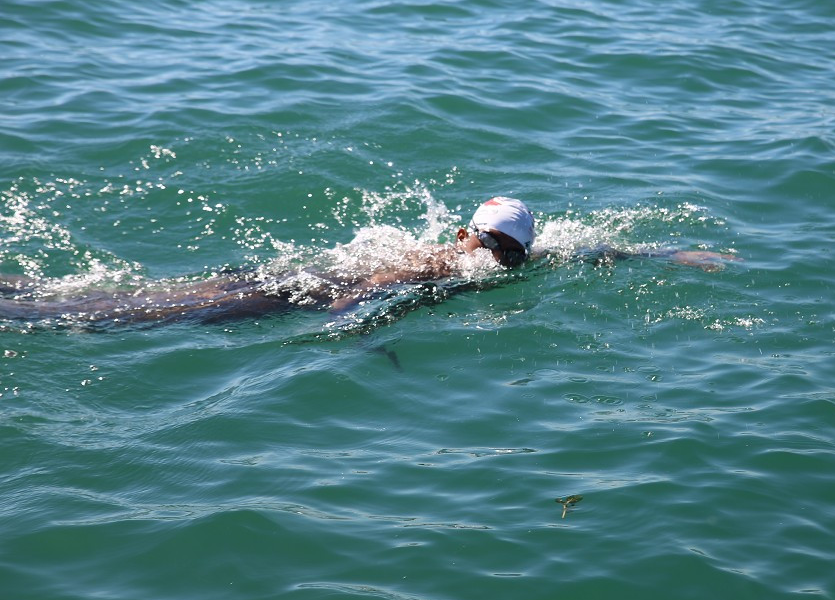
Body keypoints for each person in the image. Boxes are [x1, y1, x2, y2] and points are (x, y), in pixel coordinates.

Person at [0, 196, 732, 327]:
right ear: (466, 237)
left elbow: (594, 248)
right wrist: (356, 328)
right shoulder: (443, 266)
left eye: (510, 251)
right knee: (126, 314)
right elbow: (382, 282)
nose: (498, 258)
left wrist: (672, 253)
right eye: (491, 244)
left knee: (137, 299)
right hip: (298, 293)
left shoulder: (505, 257)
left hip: (302, 275)